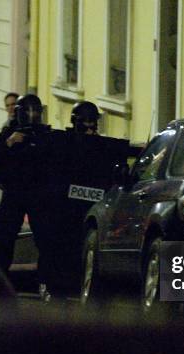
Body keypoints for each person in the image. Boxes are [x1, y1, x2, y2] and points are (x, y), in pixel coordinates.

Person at [47, 101, 129, 295]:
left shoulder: (104, 147)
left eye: (93, 123)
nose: (91, 127)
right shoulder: (63, 142)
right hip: (66, 210)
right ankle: (56, 285)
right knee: (62, 248)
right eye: (87, 122)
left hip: (92, 210)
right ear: (76, 121)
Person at [0, 94, 56, 300]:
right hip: (14, 195)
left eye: (35, 111)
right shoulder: (9, 133)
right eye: (28, 111)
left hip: (37, 196)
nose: (32, 115)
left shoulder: (46, 135)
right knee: (5, 242)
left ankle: (46, 284)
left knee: (46, 242)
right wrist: (8, 143)